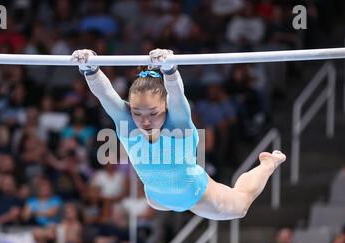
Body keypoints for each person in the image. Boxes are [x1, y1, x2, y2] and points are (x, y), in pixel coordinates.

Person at [71, 48, 286, 221]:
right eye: (137, 113)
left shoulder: (179, 123)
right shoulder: (126, 122)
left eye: (153, 113)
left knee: (240, 207)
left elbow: (177, 94)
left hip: (194, 194)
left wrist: (170, 70)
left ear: (166, 106)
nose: (145, 121)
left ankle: (268, 163)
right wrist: (90, 69)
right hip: (156, 196)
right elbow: (105, 95)